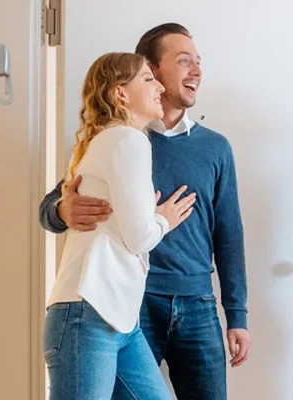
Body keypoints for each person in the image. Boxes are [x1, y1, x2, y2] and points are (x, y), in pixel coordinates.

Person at [38, 23, 250, 399]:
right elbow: (51, 207)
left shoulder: (214, 148)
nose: (196, 71)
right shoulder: (119, 137)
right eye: (184, 61)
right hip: (130, 303)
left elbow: (229, 236)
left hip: (196, 302)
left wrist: (238, 315)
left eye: (198, 62)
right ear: (151, 70)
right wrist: (62, 210)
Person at [43, 51, 197, 399]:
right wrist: (164, 218)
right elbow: (139, 236)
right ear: (120, 93)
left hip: (116, 319)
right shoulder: (126, 140)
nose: (159, 86)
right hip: (88, 315)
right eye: (147, 78)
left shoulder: (105, 142)